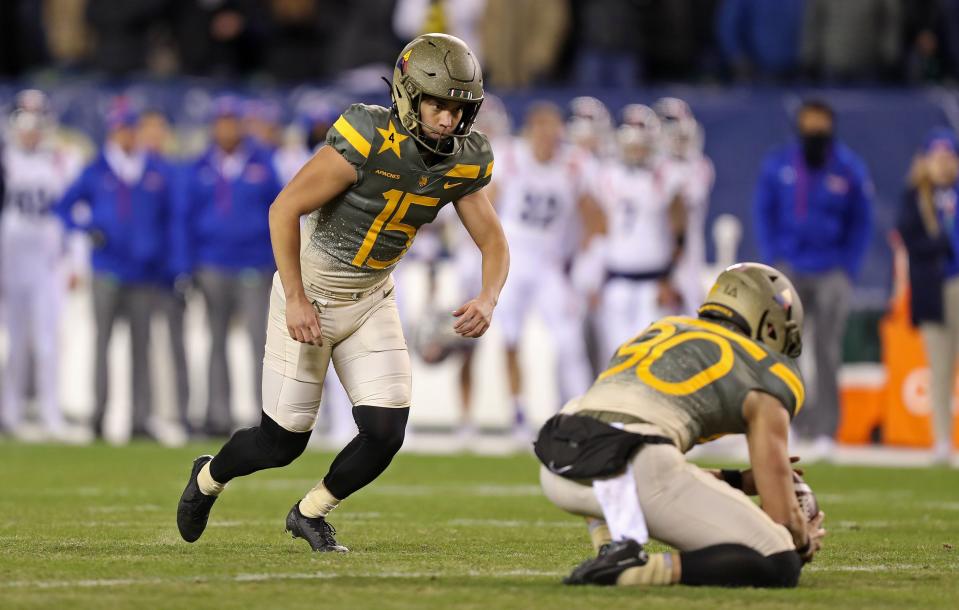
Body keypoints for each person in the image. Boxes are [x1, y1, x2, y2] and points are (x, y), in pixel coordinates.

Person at [176, 33, 509, 552]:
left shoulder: (464, 160)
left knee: (386, 429)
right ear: (408, 93)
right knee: (281, 441)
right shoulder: (367, 135)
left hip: (372, 296)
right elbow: (284, 209)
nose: (448, 119)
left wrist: (488, 297)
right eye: (438, 103)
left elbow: (493, 242)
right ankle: (207, 479)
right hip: (311, 290)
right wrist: (295, 297)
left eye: (458, 108)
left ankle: (311, 512)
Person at [537, 262, 825, 588]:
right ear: (771, 326)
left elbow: (627, 445)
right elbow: (782, 518)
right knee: (779, 559)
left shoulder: (661, 329)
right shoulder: (768, 369)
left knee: (641, 454)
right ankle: (636, 571)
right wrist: (802, 539)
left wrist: (737, 480)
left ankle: (612, 547)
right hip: (629, 461)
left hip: (559, 458)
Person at [753, 99, 873, 459]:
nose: (815, 130)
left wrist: (847, 267)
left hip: (831, 270)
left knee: (827, 350)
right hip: (791, 266)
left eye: (821, 123)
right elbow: (764, 210)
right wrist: (775, 256)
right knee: (782, 349)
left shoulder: (849, 168)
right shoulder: (780, 165)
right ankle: (789, 423)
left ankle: (825, 430)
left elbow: (862, 221)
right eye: (810, 122)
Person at [55, 106, 172, 441]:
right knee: (102, 343)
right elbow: (64, 207)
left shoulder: (152, 169)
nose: (125, 135)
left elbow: (167, 220)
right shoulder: (97, 169)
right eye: (121, 129)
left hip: (143, 272)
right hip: (107, 269)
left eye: (130, 128)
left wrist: (162, 259)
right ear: (111, 131)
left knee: (141, 346)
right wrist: (87, 227)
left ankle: (140, 418)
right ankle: (98, 415)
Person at [174, 96, 283, 437]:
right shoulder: (199, 166)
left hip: (253, 263)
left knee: (258, 342)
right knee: (215, 340)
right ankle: (217, 415)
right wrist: (185, 265)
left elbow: (281, 210)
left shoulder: (262, 163)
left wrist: (277, 261)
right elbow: (185, 218)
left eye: (231, 122)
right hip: (211, 265)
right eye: (220, 123)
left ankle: (261, 416)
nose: (226, 129)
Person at [493, 101, 601, 441]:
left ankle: (581, 414)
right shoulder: (510, 158)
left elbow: (595, 217)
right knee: (510, 337)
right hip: (512, 259)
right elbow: (484, 204)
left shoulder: (573, 165)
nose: (547, 138)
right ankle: (517, 414)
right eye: (541, 130)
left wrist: (588, 259)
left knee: (568, 339)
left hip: (549, 264)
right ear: (529, 132)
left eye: (553, 130)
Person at [0, 90, 81, 440]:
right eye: (25, 122)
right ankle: (10, 412)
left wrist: (77, 261)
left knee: (48, 341)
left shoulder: (63, 158)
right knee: (14, 341)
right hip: (11, 257)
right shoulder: (5, 159)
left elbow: (76, 213)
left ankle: (50, 411)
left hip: (48, 258)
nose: (30, 129)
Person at [585, 104, 686, 363]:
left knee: (652, 360)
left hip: (653, 283)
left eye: (641, 144)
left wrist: (669, 277)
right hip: (616, 282)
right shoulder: (606, 175)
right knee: (616, 359)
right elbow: (599, 229)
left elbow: (680, 231)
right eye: (631, 144)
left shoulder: (666, 175)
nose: (636, 149)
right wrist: (593, 277)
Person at [897, 128, 959, 465]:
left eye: (948, 156)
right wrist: (940, 244)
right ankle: (942, 441)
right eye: (937, 157)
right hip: (933, 289)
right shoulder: (915, 197)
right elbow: (910, 239)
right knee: (940, 367)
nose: (943, 163)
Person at [654, 97, 714, 317]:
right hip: (656, 255)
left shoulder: (700, 166)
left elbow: (682, 202)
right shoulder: (653, 169)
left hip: (688, 256)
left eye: (683, 135)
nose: (681, 141)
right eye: (674, 135)